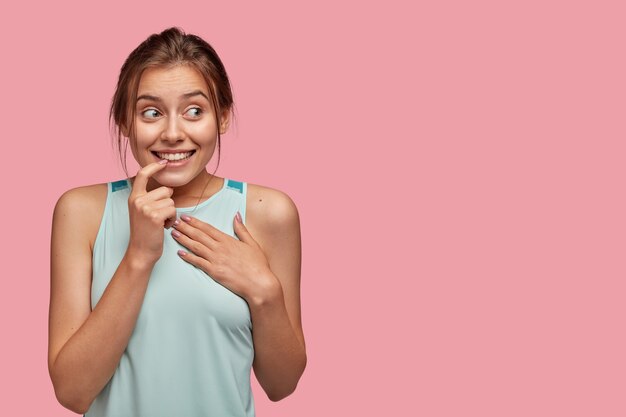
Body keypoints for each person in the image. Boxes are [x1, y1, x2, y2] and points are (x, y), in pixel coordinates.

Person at [48, 27, 306, 417]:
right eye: (150, 112)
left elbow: (281, 385)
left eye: (194, 111)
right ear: (124, 122)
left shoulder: (267, 212)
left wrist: (264, 290)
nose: (172, 133)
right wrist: (138, 256)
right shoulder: (82, 212)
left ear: (222, 118)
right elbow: (72, 392)